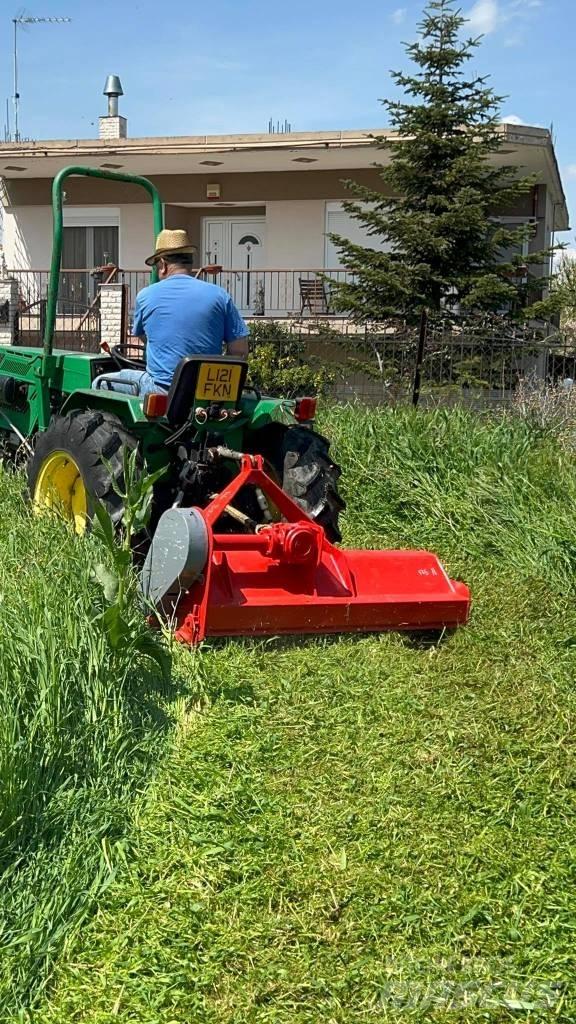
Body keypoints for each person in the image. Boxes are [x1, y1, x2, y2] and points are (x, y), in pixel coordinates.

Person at [92, 229, 249, 396]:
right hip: (209, 393)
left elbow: (147, 338)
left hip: (161, 390)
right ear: (189, 262)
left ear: (163, 264)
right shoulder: (220, 296)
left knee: (99, 383)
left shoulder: (146, 296)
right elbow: (239, 352)